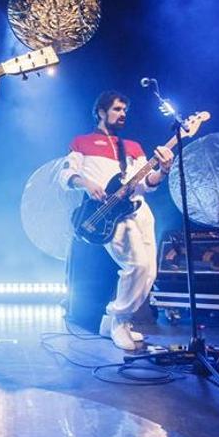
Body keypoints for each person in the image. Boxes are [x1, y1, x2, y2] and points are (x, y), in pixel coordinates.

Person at [59, 91, 174, 351]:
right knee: (137, 267)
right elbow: (67, 174)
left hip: (139, 210)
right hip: (111, 213)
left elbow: (146, 183)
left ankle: (113, 321)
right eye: (117, 109)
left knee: (150, 272)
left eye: (125, 110)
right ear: (101, 111)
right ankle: (119, 321)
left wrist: (163, 170)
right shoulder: (81, 142)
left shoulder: (132, 147)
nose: (123, 114)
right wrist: (87, 183)